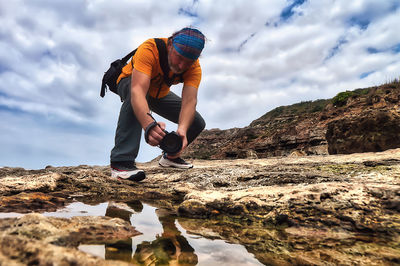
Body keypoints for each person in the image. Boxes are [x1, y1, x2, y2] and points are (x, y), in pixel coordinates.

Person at [110, 27, 206, 181]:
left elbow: (190, 101)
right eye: (179, 57)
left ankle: (170, 157)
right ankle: (121, 163)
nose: (181, 66)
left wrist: (182, 130)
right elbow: (138, 91)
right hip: (130, 83)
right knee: (137, 95)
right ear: (170, 45)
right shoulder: (150, 48)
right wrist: (149, 126)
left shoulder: (194, 68)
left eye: (188, 62)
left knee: (196, 122)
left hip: (159, 94)